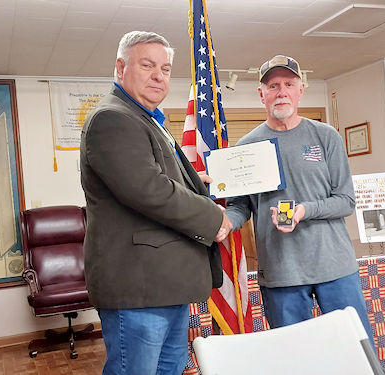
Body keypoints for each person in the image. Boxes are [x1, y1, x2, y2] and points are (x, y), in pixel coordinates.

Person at [80, 31, 232, 375]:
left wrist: (197, 183)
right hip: (138, 288)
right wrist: (213, 217)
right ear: (121, 68)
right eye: (147, 65)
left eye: (164, 69)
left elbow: (152, 178)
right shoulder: (113, 118)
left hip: (162, 285)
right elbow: (149, 190)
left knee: (168, 369)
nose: (158, 76)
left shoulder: (145, 118)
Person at [225, 55, 375, 344]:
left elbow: (345, 200)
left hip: (335, 267)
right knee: (295, 357)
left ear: (300, 89)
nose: (281, 91)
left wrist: (304, 210)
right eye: (273, 86)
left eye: (288, 84)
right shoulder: (246, 147)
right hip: (282, 272)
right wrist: (222, 223)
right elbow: (240, 207)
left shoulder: (326, 136)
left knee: (357, 349)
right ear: (262, 94)